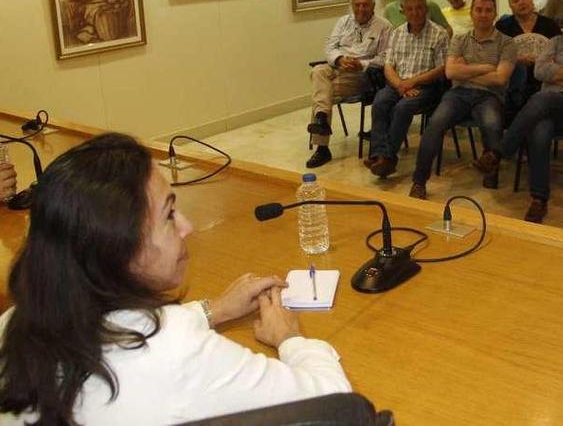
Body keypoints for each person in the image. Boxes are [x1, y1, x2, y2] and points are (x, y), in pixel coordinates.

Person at [0, 133, 351, 424]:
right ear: (120, 246)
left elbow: (121, 326)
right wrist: (290, 339)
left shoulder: (12, 324)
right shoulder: (175, 351)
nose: (187, 226)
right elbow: (337, 404)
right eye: (169, 215)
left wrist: (213, 311)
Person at [473, 0, 563, 223]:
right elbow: (540, 71)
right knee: (540, 129)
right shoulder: (556, 42)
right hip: (547, 109)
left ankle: (499, 152)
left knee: (542, 99)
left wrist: (557, 75)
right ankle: (539, 200)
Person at [408, 0, 517, 200]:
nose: (483, 14)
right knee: (435, 124)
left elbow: (501, 79)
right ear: (472, 14)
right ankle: (419, 182)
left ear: (495, 14)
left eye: (488, 10)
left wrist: (466, 70)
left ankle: (491, 172)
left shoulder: (507, 43)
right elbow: (450, 73)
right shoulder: (459, 39)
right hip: (457, 94)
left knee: (492, 124)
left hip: (490, 96)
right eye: (478, 10)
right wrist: (486, 68)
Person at [366, 0, 449, 178]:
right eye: (410, 9)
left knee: (403, 107)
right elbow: (388, 65)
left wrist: (413, 82)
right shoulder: (397, 33)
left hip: (427, 86)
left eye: (419, 8)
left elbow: (442, 69)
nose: (415, 13)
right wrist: (400, 85)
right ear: (404, 12)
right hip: (398, 83)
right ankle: (378, 154)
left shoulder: (439, 34)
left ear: (426, 10)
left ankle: (387, 158)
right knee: (380, 102)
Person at [305, 0, 392, 169]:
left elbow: (387, 58)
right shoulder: (343, 21)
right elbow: (329, 46)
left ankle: (322, 147)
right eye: (357, 4)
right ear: (352, 6)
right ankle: (321, 119)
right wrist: (339, 59)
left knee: (321, 93)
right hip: (338, 66)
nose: (361, 9)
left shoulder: (384, 26)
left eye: (365, 5)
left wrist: (362, 64)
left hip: (362, 75)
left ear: (373, 6)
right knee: (318, 71)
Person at [496, 0, 562, 117]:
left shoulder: (549, 25)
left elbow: (562, 52)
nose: (521, 2)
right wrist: (515, 59)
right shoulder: (502, 27)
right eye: (515, 0)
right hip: (513, 86)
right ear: (511, 7)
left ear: (531, 1)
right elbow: (494, 55)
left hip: (544, 82)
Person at [384, 0, 453, 37]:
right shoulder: (389, 9)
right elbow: (386, 33)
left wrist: (440, 42)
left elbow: (448, 29)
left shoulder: (429, 5)